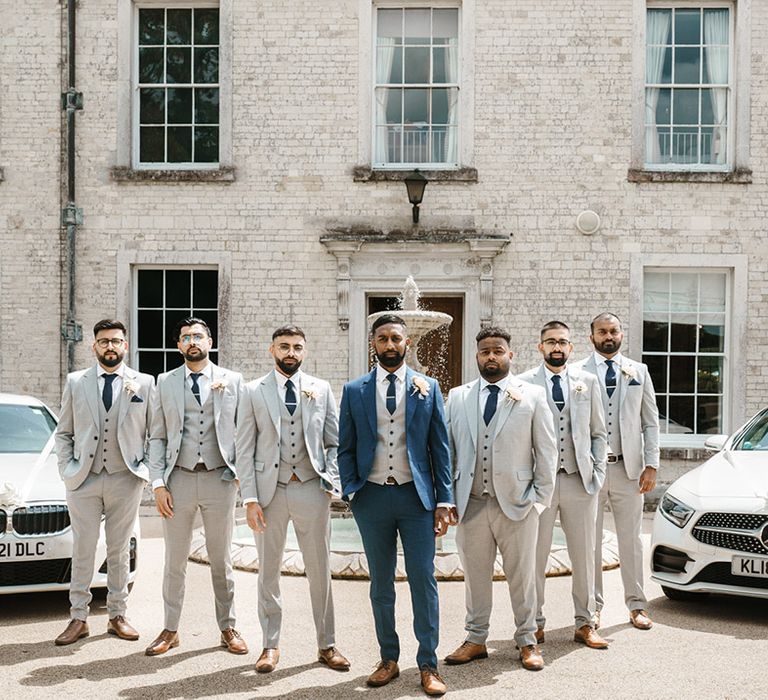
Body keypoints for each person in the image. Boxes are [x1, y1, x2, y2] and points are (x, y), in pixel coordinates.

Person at [338, 314, 452, 697]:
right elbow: (346, 446)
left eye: (396, 339)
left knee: (423, 580)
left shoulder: (428, 387)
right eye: (383, 338)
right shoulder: (354, 390)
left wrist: (443, 500)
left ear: (407, 343)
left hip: (415, 498)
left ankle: (428, 664)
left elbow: (440, 448)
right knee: (380, 584)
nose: (390, 345)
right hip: (371, 497)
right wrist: (351, 490)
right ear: (374, 343)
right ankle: (388, 658)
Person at [236, 325, 350, 673]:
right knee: (268, 571)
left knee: (319, 571)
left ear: (305, 350)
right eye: (284, 346)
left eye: (297, 347)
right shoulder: (253, 391)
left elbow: (334, 441)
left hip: (311, 490)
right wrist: (250, 498)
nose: (291, 353)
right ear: (271, 349)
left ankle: (327, 644)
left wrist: (331, 479)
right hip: (270, 493)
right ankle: (270, 645)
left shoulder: (321, 388)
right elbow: (244, 447)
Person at [444, 326, 557, 671]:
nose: (491, 356)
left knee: (522, 576)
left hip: (518, 502)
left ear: (510, 355)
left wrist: (538, 500)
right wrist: (448, 499)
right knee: (475, 575)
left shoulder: (533, 395)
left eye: (497, 351)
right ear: (477, 357)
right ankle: (476, 638)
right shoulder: (458, 396)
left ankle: (527, 640)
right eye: (484, 352)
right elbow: (447, 451)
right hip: (472, 502)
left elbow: (547, 451)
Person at [145, 317, 247, 655]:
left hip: (220, 479)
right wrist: (158, 483)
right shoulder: (165, 382)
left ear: (210, 341)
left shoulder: (232, 380)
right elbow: (157, 436)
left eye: (198, 336)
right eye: (186, 337)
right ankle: (170, 629)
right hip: (179, 480)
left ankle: (229, 628)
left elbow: (244, 432)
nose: (193, 342)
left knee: (222, 559)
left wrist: (241, 476)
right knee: (175, 561)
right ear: (179, 345)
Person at [54, 319, 154, 646]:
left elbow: (155, 432)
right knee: (83, 548)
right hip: (83, 478)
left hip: (125, 478)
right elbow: (64, 432)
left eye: (115, 341)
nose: (110, 346)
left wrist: (144, 468)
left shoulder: (144, 383)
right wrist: (67, 470)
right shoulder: (76, 382)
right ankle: (78, 618)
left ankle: (117, 615)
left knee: (119, 549)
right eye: (103, 341)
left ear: (125, 345)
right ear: (94, 346)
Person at [518, 321, 608, 649]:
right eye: (551, 342)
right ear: (540, 346)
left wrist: (596, 474)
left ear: (571, 347)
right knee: (534, 556)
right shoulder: (523, 383)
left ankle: (586, 622)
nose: (557, 347)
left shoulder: (588, 382)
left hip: (579, 480)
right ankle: (534, 623)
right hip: (539, 485)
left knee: (585, 554)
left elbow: (599, 433)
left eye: (563, 342)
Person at [573, 312, 659, 630]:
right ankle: (592, 608)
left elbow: (650, 422)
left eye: (613, 331)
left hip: (629, 469)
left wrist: (651, 464)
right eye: (601, 331)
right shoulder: (576, 372)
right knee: (589, 542)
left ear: (622, 334)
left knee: (631, 540)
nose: (608, 336)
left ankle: (637, 605)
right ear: (591, 336)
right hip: (590, 471)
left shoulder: (639, 371)